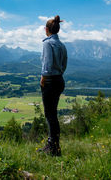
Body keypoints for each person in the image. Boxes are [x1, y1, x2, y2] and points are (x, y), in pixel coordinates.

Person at [38, 15, 67, 156]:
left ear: (47, 29)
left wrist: (43, 77)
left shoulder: (47, 43)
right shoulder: (62, 45)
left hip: (49, 81)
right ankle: (54, 145)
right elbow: (64, 65)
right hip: (59, 80)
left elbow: (47, 63)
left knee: (50, 115)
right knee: (53, 114)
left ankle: (53, 147)